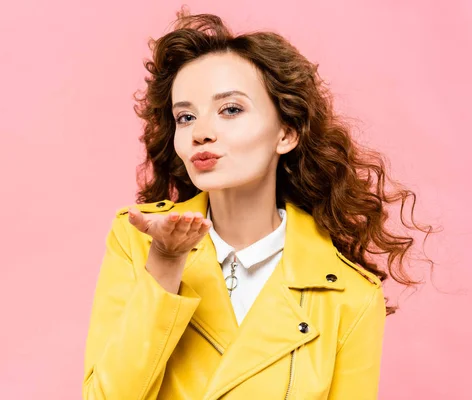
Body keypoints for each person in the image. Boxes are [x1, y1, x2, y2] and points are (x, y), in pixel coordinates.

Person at [82, 8, 434, 400]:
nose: (201, 133)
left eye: (230, 109)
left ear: (286, 133)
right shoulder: (137, 242)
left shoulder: (349, 296)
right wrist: (164, 267)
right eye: (185, 117)